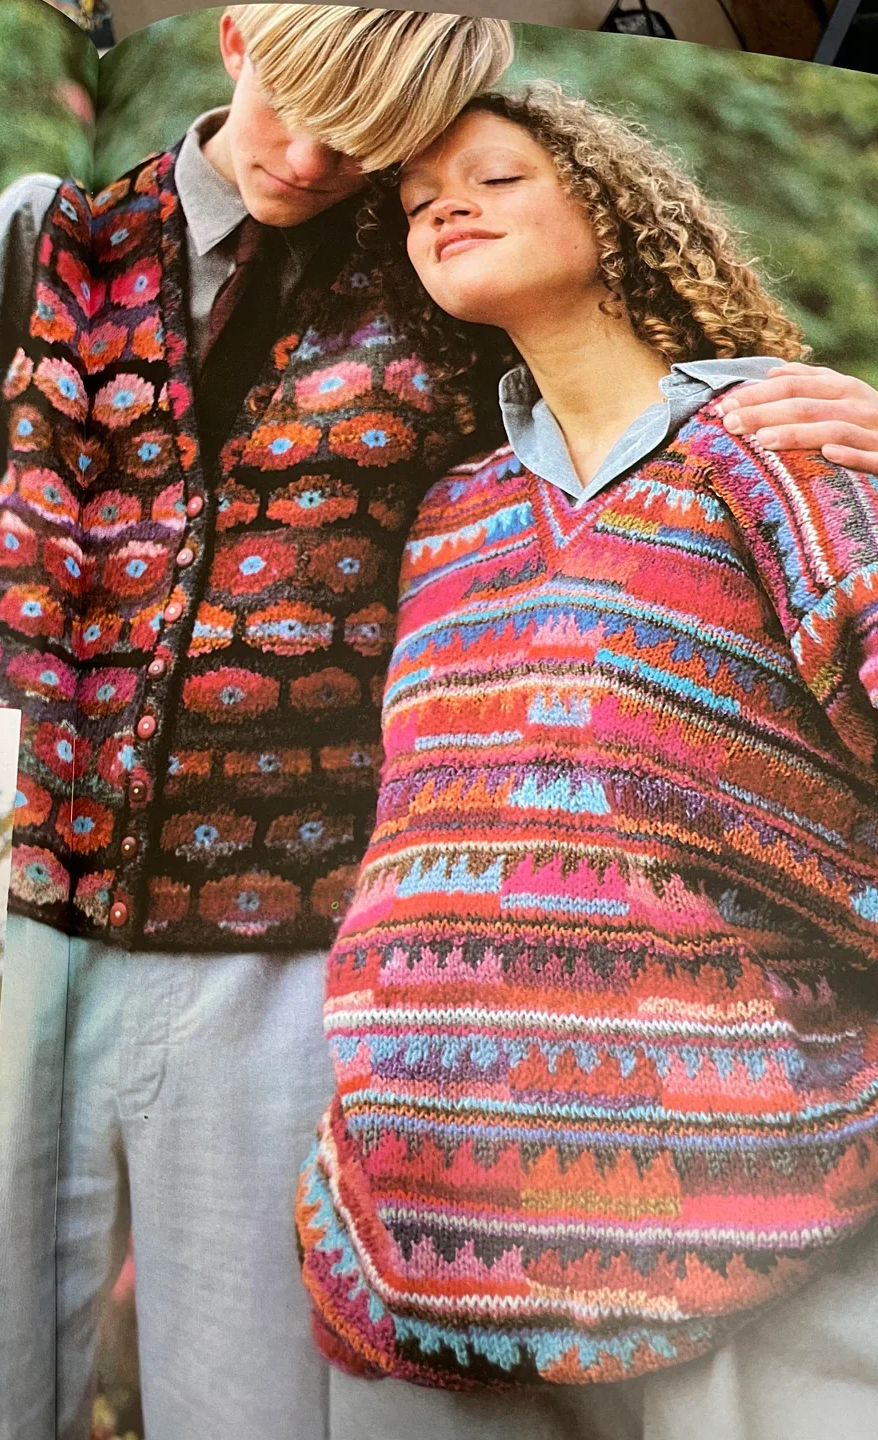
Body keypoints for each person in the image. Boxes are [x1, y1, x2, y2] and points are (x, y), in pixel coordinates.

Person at [0, 9, 877, 1439]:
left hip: (282, 931)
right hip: (21, 887)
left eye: (367, 141)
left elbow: (599, 424)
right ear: (235, 40)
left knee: (236, 1399)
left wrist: (792, 403)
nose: (313, 160)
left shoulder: (428, 275)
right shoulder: (54, 232)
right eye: (298, 107)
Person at [297, 85, 878, 1440]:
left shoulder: (781, 448)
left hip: (737, 1202)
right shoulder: (452, 518)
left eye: (495, 176)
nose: (447, 205)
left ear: (615, 213)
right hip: (419, 1231)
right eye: (419, 200)